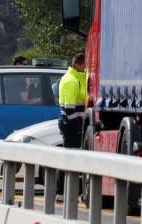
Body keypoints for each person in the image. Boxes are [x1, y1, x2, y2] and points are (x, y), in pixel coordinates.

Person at [56, 53, 89, 201]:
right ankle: (61, 192)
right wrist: (78, 127)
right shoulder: (71, 81)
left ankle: (67, 192)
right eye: (84, 65)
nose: (86, 67)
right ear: (78, 65)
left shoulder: (77, 78)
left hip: (72, 124)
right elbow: (69, 110)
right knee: (70, 159)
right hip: (71, 125)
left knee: (71, 158)